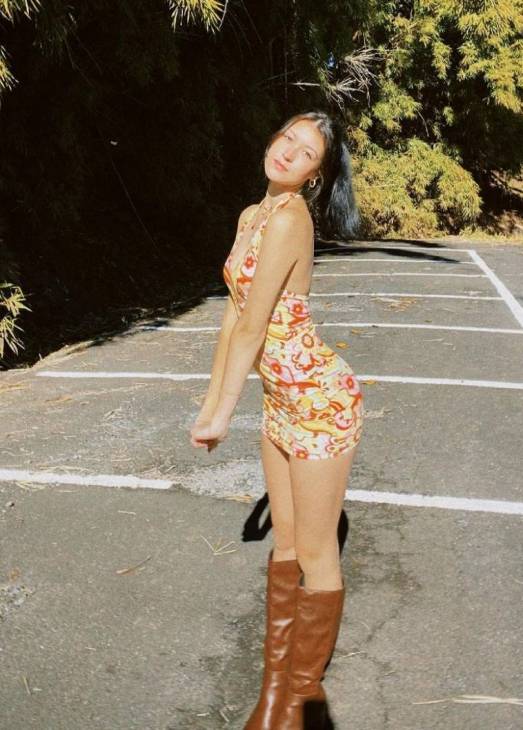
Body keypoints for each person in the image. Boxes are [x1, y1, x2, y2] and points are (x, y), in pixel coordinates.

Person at [190, 109, 364, 729]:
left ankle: (297, 701)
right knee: (285, 543)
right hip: (280, 401)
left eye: (306, 152)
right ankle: (272, 695)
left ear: (315, 176)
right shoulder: (251, 216)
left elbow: (255, 328)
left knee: (315, 551)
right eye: (287, 137)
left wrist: (222, 416)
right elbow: (232, 318)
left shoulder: (291, 219)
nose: (289, 151)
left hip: (318, 402)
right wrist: (210, 403)